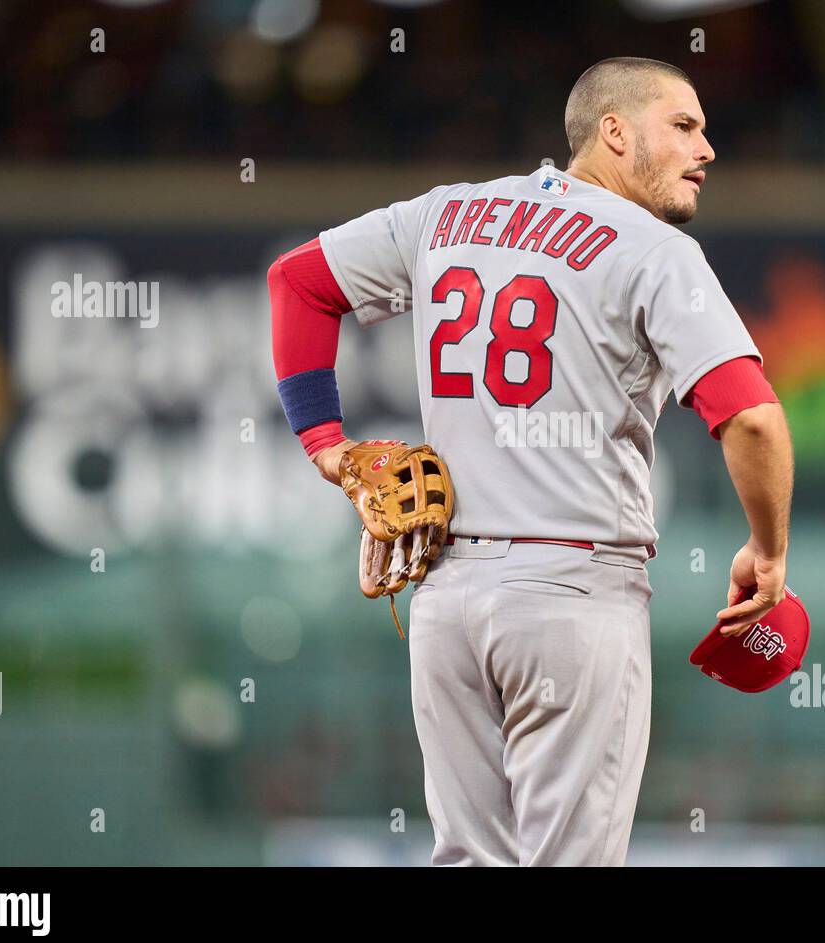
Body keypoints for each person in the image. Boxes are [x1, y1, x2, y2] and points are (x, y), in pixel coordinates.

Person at [268, 57, 794, 866]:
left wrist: (326, 449)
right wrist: (768, 550)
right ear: (614, 132)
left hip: (444, 602)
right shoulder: (653, 250)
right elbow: (752, 418)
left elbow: (297, 281)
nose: (707, 147)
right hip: (571, 594)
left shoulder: (446, 215)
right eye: (684, 125)